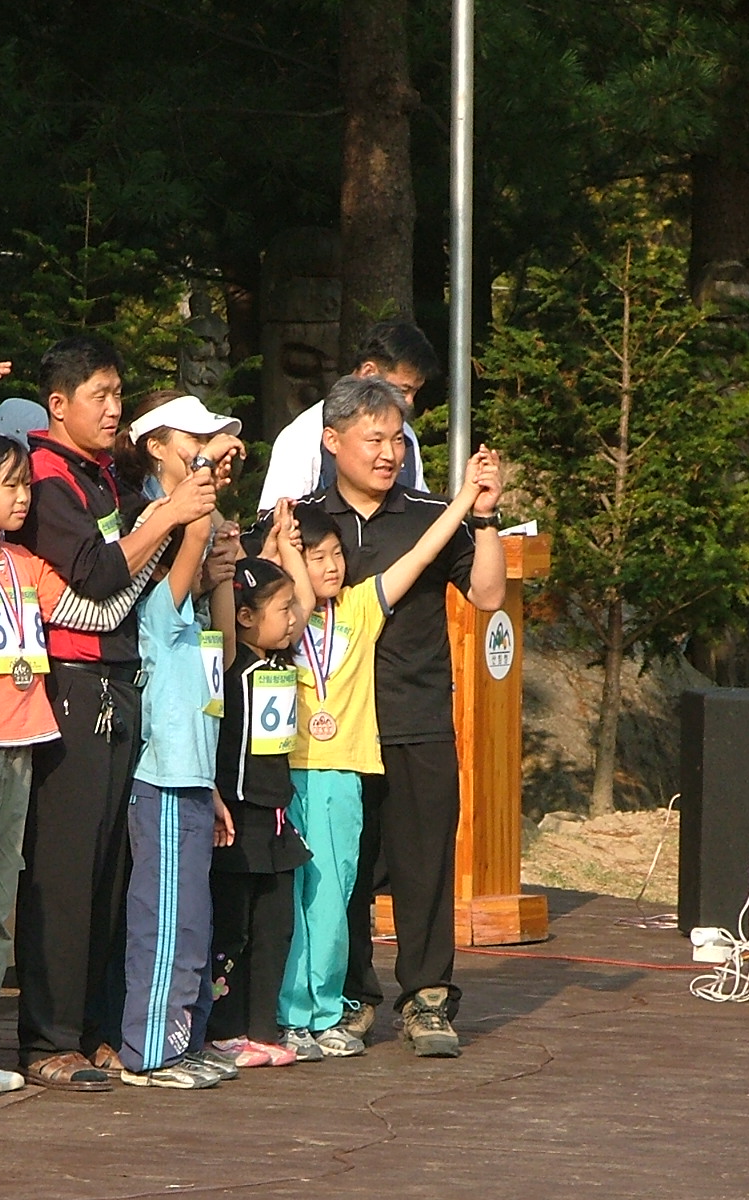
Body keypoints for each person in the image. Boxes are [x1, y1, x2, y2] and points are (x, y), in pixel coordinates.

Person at [0, 434, 162, 1097]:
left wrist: (157, 543)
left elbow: (95, 613)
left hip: (22, 748)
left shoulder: (22, 564)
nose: (23, 497)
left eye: (25, 485)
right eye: (10, 486)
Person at [251, 373, 505, 1057]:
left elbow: (487, 593)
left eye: (396, 438)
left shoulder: (426, 514)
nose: (389, 452)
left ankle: (427, 999)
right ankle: (351, 998)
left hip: (416, 714)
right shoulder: (299, 522)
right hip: (324, 735)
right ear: (332, 441)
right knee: (342, 873)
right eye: (373, 439)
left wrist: (482, 516)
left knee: (424, 865)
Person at [8, 335, 217, 1090]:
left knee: (109, 866)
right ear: (58, 404)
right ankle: (47, 1036)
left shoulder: (102, 479)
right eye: (98, 393)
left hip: (120, 682)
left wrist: (176, 518)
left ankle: (96, 1024)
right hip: (71, 681)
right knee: (63, 868)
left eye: (118, 393)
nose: (113, 407)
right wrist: (165, 521)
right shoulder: (47, 475)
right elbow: (96, 575)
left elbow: (143, 571)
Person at [112, 401, 247, 1089]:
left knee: (194, 924)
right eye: (190, 436)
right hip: (160, 783)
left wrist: (214, 788)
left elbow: (215, 676)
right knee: (164, 925)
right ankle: (150, 1051)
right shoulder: (159, 612)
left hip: (192, 784)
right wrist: (205, 479)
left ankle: (186, 1039)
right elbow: (189, 541)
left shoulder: (193, 619)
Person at [205, 553, 310, 1067]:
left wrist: (285, 545)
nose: (293, 618)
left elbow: (305, 601)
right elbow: (226, 624)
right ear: (245, 616)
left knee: (275, 926)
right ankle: (224, 1028)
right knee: (232, 928)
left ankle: (262, 1027)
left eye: (294, 609)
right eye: (281, 609)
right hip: (237, 819)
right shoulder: (230, 664)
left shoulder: (281, 661)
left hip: (276, 817)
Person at [255, 319, 439, 512]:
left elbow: (420, 511)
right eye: (403, 390)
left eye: (415, 392)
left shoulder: (406, 436)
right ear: (369, 372)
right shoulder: (303, 436)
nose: (409, 402)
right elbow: (274, 522)